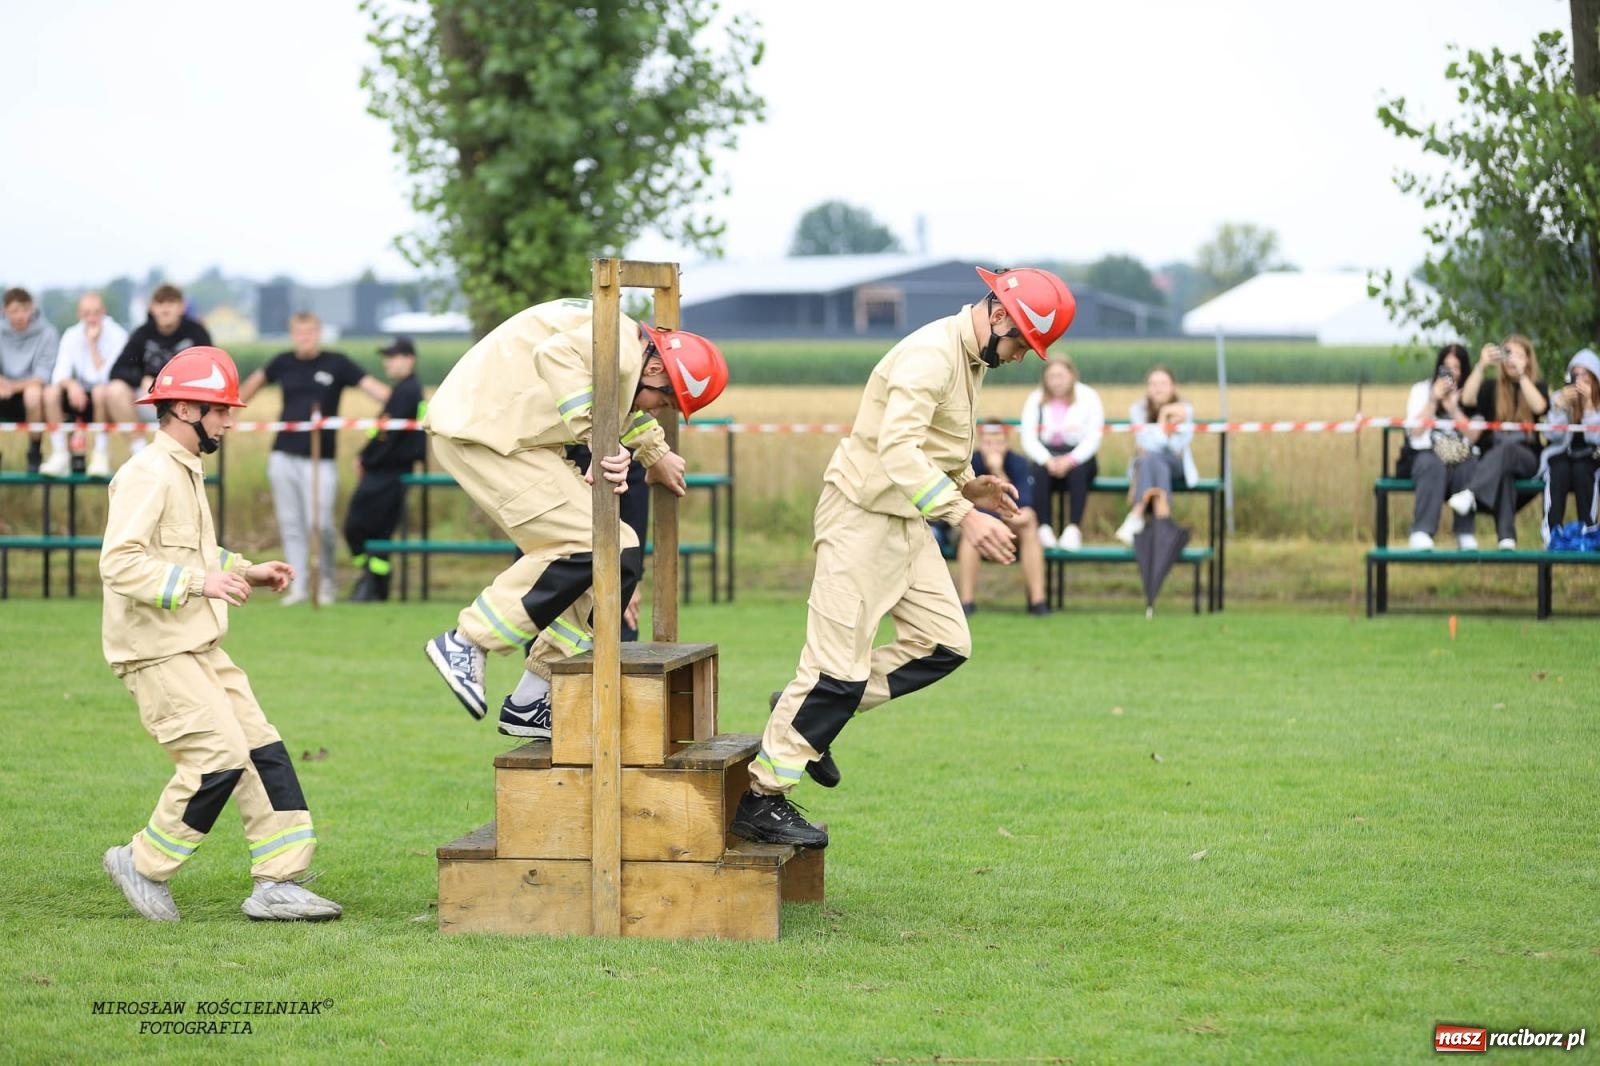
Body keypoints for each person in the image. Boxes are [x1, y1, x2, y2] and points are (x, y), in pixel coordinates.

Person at [730, 266, 1076, 849]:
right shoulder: (930, 356)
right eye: (1022, 342)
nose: (1021, 357)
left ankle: (810, 715)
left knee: (945, 643)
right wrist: (964, 517)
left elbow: (930, 445)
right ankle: (762, 799)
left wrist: (970, 486)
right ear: (998, 314)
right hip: (860, 517)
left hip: (906, 517)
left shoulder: (969, 357)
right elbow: (895, 448)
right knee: (837, 669)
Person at [99, 346, 342, 923]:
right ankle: (142, 861)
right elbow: (120, 563)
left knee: (263, 750)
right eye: (221, 410)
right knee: (218, 758)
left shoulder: (185, 470)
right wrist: (201, 582)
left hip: (198, 644)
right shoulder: (145, 474)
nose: (230, 422)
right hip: (154, 651)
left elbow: (194, 553)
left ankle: (279, 881)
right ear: (184, 408)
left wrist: (243, 570)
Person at [421, 297, 728, 739]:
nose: (658, 411)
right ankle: (467, 641)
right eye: (666, 402)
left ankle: (532, 697)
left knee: (617, 552)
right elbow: (556, 357)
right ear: (657, 370)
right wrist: (601, 439)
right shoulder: (621, 349)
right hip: (486, 436)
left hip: (508, 439)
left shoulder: (623, 349)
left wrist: (653, 451)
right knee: (590, 544)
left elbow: (620, 403)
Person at [238, 311, 391, 606]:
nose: (304, 337)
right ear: (292, 334)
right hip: (283, 455)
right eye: (298, 332)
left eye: (309, 332)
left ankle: (327, 581)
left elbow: (374, 389)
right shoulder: (282, 362)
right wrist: (228, 416)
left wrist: (402, 404)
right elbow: (250, 387)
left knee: (320, 524)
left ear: (318, 333)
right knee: (291, 523)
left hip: (321, 460)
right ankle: (298, 586)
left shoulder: (337, 363)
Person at [342, 336, 426, 602]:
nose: (387, 362)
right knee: (377, 533)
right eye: (386, 357)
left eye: (393, 356)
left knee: (355, 527)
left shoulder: (407, 391)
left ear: (409, 359)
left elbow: (389, 436)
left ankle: (374, 582)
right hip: (387, 470)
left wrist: (367, 460)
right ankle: (374, 583)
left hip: (388, 471)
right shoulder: (403, 389)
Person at [1451, 336, 1549, 548]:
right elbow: (1467, 400)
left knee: (1509, 450)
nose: (1511, 360)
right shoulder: (1491, 387)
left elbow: (1540, 407)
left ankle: (1471, 493)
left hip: (1527, 459)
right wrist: (1481, 366)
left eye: (1518, 355)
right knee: (1504, 473)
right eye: (1507, 353)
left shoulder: (1536, 385)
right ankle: (1507, 537)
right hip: (1495, 464)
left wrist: (1522, 375)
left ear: (1529, 360)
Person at [105, 284, 212, 458]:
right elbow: (117, 370)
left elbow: (211, 368)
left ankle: (184, 454)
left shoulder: (196, 333)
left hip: (186, 402)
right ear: (152, 307)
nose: (165, 309)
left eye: (171, 303)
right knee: (115, 390)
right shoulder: (141, 334)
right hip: (150, 400)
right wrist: (142, 379)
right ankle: (139, 451)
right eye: (160, 303)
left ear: (181, 307)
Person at [957, 419, 1048, 615]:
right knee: (971, 530)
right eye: (989, 443)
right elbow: (964, 505)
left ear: (1007, 443)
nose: (994, 448)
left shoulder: (1019, 464)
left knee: (1029, 524)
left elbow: (1022, 506)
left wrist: (998, 471)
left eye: (998, 442)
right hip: (976, 524)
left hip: (1011, 526)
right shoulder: (969, 464)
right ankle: (966, 603)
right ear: (980, 442)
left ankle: (1038, 601)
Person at [40, 292, 129, 478]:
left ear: (104, 312)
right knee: (50, 393)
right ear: (79, 314)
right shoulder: (71, 335)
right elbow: (59, 374)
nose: (92, 319)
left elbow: (107, 376)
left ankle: (100, 454)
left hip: (106, 398)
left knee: (99, 391)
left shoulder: (118, 334)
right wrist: (72, 385)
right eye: (87, 313)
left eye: (96, 313)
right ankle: (60, 453)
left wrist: (91, 345)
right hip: (78, 396)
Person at [1019, 354, 1102, 550]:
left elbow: (1094, 437)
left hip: (1079, 457)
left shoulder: (1088, 396)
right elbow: (1028, 438)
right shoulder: (1035, 399)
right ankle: (1044, 528)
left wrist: (1071, 460)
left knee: (1079, 470)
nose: (1055, 382)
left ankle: (1073, 529)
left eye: (1060, 376)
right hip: (1047, 456)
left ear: (1072, 375)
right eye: (1051, 377)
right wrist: (1047, 460)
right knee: (1037, 470)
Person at [1404, 343, 1483, 550]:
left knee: (1469, 464)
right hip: (1426, 455)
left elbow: (1474, 436)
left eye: (1456, 367)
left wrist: (1454, 409)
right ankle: (1422, 531)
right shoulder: (1422, 390)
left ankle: (1465, 533)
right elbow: (1414, 432)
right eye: (1446, 367)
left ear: (1463, 370)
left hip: (1462, 456)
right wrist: (1432, 402)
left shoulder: (1471, 395)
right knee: (1433, 464)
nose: (1451, 372)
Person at [1115, 366, 1198, 546]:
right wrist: (1164, 418)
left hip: (1176, 466)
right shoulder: (1138, 410)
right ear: (1147, 387)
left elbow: (1176, 446)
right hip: (1149, 466)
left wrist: (1160, 426)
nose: (1157, 388)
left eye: (1163, 383)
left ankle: (1137, 515)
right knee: (1153, 460)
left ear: (1173, 386)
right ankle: (1163, 519)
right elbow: (1146, 444)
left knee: (1151, 458)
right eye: (1152, 384)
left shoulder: (1186, 409)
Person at [1538, 347, 1600, 543]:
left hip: (1591, 458)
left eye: (1585, 374)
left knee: (1583, 470)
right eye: (1576, 374)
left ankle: (1588, 528)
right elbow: (1551, 435)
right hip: (1563, 455)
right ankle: (1552, 530)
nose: (1580, 379)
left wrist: (1589, 407)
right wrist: (1559, 408)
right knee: (1559, 468)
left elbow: (1595, 439)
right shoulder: (1559, 397)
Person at [0, 287, 59, 472]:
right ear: (5, 311)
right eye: (14, 311)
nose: (20, 316)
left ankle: (34, 451)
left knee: (33, 395)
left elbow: (43, 375)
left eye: (25, 310)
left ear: (32, 309)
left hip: (31, 392)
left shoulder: (47, 333)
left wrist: (13, 387)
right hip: (4, 388)